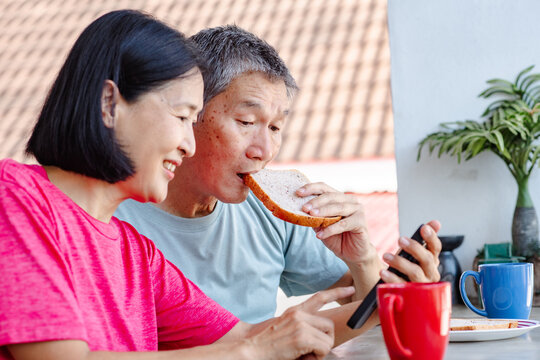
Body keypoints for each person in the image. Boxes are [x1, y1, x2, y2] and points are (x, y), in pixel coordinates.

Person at [0, 10, 367, 360]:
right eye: (181, 117)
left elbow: (248, 337)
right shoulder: (17, 195)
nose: (188, 144)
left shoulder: (136, 253)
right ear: (109, 104)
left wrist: (387, 286)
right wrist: (254, 352)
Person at [115, 24, 442, 324]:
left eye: (275, 127)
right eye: (246, 122)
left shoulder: (275, 210)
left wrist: (364, 261)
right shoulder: (112, 215)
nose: (264, 149)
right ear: (189, 113)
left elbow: (364, 312)